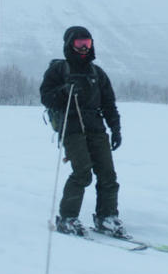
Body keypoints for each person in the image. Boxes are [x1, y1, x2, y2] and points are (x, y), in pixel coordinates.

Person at [40, 26, 126, 238]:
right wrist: (64, 91)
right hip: (71, 127)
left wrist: (115, 129)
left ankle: (106, 217)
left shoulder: (97, 73)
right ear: (70, 44)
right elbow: (46, 97)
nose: (84, 48)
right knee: (82, 173)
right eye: (79, 44)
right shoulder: (59, 70)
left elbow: (109, 104)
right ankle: (67, 218)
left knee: (108, 175)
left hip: (96, 128)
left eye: (87, 43)